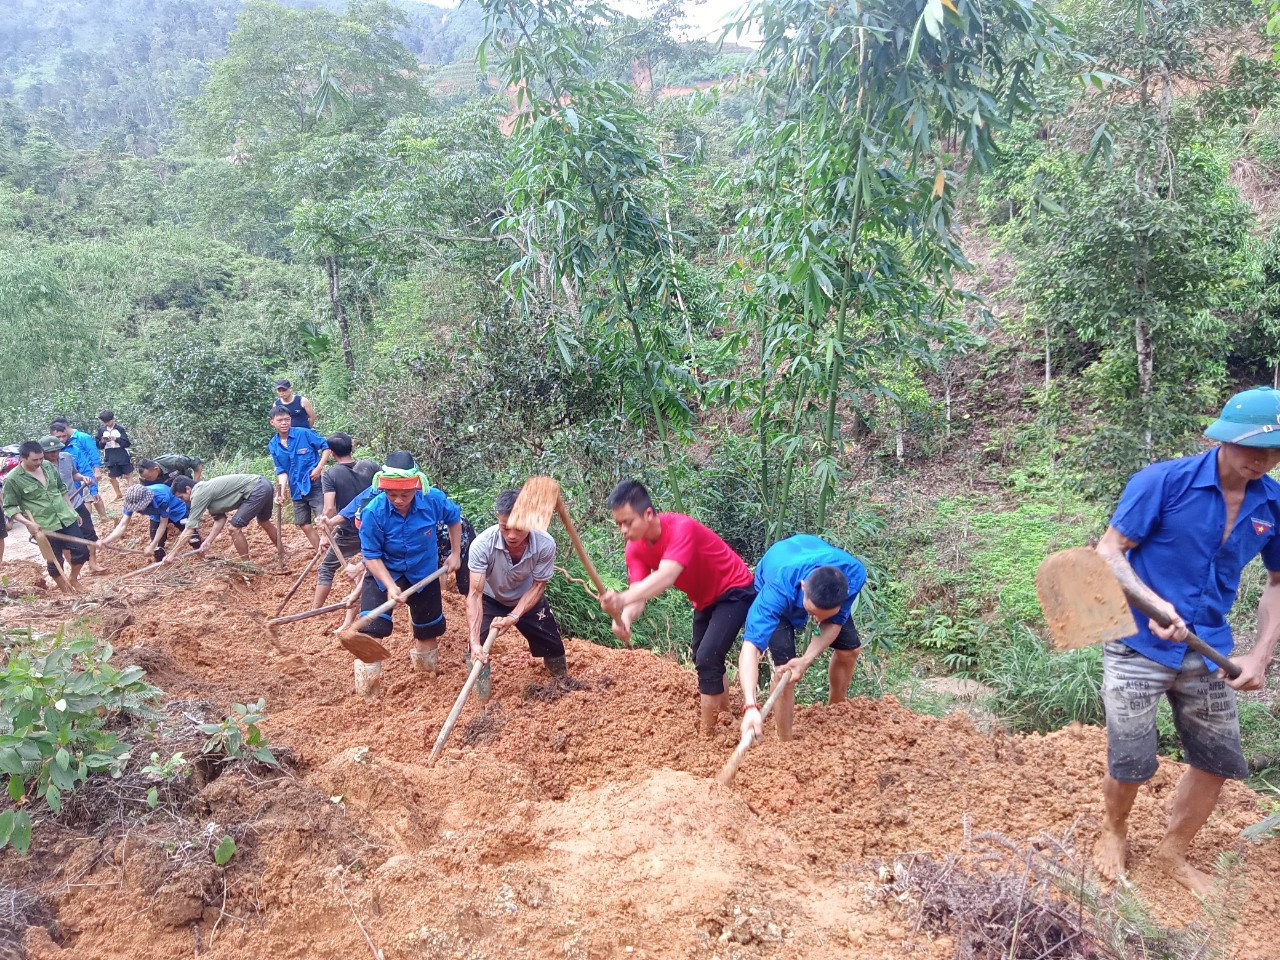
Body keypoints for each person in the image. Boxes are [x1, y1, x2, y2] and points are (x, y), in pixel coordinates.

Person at [1092, 386, 1280, 895]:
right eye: (1251, 447)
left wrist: (1260, 655)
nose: (1262, 459)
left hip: (1210, 647)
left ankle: (1172, 854)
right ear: (1220, 439)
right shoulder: (1162, 482)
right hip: (1137, 641)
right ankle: (1112, 831)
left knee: (1216, 758)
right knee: (1131, 755)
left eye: (1274, 449)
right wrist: (1157, 604)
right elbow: (1109, 552)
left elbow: (1278, 581)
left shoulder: (1274, 503)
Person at [599, 479, 756, 736]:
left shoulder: (682, 528)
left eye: (628, 522)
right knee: (702, 655)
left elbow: (666, 576)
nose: (623, 530)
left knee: (707, 657)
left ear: (648, 514)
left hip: (734, 589)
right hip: (703, 598)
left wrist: (621, 599)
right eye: (619, 524)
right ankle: (726, 715)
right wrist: (625, 618)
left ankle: (707, 735)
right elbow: (639, 594)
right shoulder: (634, 548)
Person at [737, 534, 868, 743]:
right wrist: (750, 705)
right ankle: (786, 742)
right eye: (812, 612)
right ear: (804, 586)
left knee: (849, 651)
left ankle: (835, 709)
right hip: (777, 574)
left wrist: (806, 660)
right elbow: (750, 648)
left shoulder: (853, 574)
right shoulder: (775, 592)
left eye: (822, 616)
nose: (815, 620)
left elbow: (835, 623)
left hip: (810, 557)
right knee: (784, 672)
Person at [354, 462, 462, 682]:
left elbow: (454, 519)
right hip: (385, 571)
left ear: (416, 487)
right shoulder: (373, 512)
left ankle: (425, 681)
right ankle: (367, 695)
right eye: (392, 494)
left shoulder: (432, 499)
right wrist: (391, 586)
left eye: (405, 494)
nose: (399, 500)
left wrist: (455, 552)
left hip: (423, 572)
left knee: (427, 629)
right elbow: (371, 556)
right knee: (372, 630)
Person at [467, 488, 569, 696]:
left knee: (553, 645)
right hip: (489, 598)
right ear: (498, 519)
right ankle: (481, 699)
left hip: (527, 597)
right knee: (475, 652)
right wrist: (475, 642)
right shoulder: (481, 545)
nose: (512, 536)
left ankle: (561, 684)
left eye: (519, 528)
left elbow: (539, 585)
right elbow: (475, 594)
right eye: (505, 528)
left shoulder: (545, 544)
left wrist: (514, 615)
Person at [2, 440, 88, 591]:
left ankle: (73, 579)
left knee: (81, 551)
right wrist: (28, 523)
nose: (39, 462)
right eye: (35, 460)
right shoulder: (13, 479)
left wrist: (72, 510)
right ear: (22, 458)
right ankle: (64, 589)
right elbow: (10, 507)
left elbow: (62, 489)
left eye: (41, 458)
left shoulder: (48, 466)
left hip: (65, 517)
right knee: (54, 561)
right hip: (43, 525)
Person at [312, 433, 378, 612]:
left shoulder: (331, 474)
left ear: (332, 453)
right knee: (371, 565)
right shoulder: (371, 466)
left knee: (326, 568)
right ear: (352, 447)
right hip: (375, 529)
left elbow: (328, 510)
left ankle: (315, 610)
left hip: (348, 531)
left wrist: (325, 535)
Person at [165, 473, 280, 562]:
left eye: (181, 497)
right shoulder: (205, 490)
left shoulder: (198, 493)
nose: (183, 500)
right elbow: (220, 519)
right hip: (263, 483)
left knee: (234, 529)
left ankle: (247, 565)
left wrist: (172, 554)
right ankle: (283, 554)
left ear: (188, 489)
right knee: (264, 521)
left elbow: (189, 528)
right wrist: (208, 541)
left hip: (257, 488)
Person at [269, 406, 331, 550]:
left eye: (287, 419)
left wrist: (319, 467)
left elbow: (326, 446)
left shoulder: (304, 434)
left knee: (323, 520)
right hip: (296, 488)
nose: (284, 423)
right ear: (272, 422)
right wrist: (282, 491)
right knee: (303, 523)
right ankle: (320, 552)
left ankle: (333, 554)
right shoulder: (273, 445)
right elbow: (282, 471)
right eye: (280, 420)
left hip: (314, 484)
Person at [43, 435, 105, 575]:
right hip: (60, 509)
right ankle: (74, 568)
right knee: (67, 540)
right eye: (50, 451)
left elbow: (74, 474)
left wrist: (83, 478)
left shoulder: (67, 457)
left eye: (57, 450)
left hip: (76, 502)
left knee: (89, 533)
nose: (55, 454)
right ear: (43, 453)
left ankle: (93, 563)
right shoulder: (41, 467)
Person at [102, 483, 200, 561]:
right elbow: (123, 524)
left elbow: (163, 524)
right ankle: (162, 567)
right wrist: (106, 541)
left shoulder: (161, 497)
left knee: (193, 537)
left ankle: (201, 555)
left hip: (177, 510)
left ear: (147, 501)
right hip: (156, 514)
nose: (136, 510)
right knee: (157, 550)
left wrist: (151, 545)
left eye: (139, 508)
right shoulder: (132, 500)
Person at [50, 419, 107, 521]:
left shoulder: (75, 448)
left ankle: (98, 519)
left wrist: (94, 488)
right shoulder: (45, 455)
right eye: (58, 437)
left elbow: (86, 467)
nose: (62, 439)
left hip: (77, 487)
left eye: (64, 436)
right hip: (58, 497)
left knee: (86, 502)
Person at [94, 410, 133, 500]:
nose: (107, 423)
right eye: (105, 422)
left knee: (128, 474)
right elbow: (98, 445)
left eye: (109, 421)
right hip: (109, 454)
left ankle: (131, 493)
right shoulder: (101, 430)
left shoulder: (120, 429)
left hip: (121, 453)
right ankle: (118, 494)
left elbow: (127, 443)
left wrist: (116, 439)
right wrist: (103, 441)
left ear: (113, 419)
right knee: (112, 477)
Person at [137, 454, 204, 487]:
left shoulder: (175, 461)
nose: (148, 479)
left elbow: (197, 463)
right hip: (168, 492)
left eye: (149, 477)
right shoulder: (145, 479)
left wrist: (195, 484)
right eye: (146, 478)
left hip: (185, 484)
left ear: (156, 469)